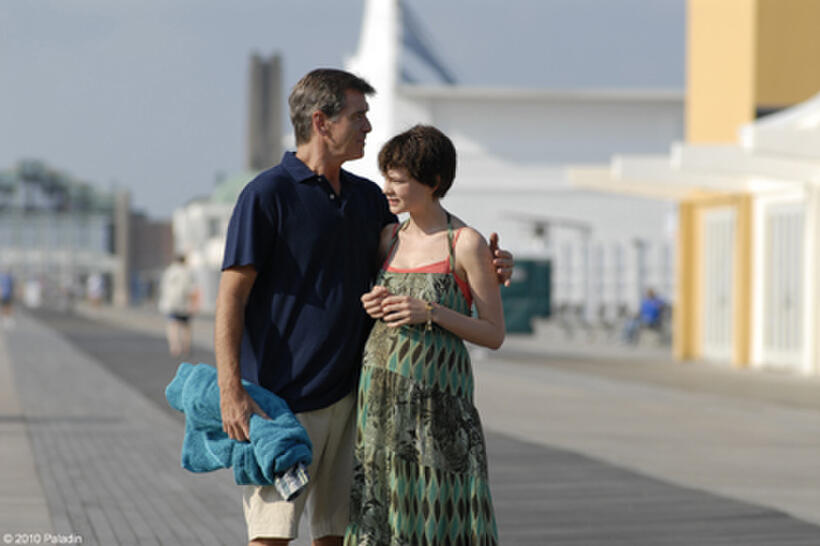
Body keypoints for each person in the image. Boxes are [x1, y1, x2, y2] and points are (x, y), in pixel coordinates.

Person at [215, 69, 513, 546]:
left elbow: (426, 247)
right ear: (321, 122)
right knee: (270, 536)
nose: (368, 128)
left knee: (341, 534)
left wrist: (494, 263)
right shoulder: (265, 195)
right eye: (359, 117)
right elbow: (231, 295)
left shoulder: (368, 200)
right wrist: (231, 389)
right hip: (282, 401)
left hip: (357, 401)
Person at [344, 125, 503, 545]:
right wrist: (375, 305)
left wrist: (429, 311)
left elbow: (493, 333)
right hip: (380, 407)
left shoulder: (464, 243)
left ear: (433, 182)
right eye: (386, 176)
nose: (387, 188)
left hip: (439, 411)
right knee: (383, 517)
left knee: (439, 517)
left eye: (398, 178)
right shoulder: (388, 238)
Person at [158, 255, 198, 357]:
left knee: (173, 325)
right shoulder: (186, 272)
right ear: (184, 261)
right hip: (183, 304)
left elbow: (163, 288)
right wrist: (193, 304)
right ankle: (186, 347)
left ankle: (174, 347)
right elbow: (191, 289)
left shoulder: (168, 271)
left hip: (170, 303)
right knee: (186, 326)